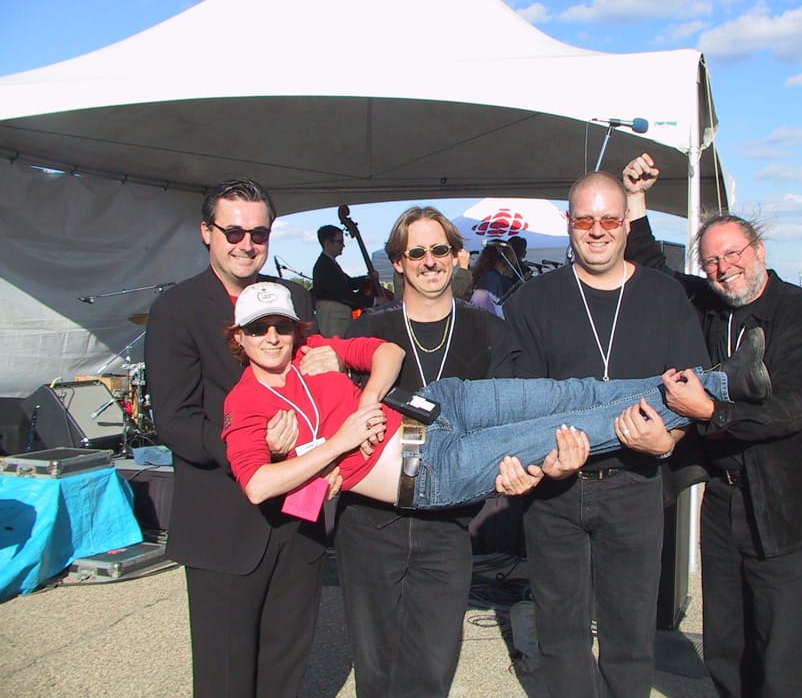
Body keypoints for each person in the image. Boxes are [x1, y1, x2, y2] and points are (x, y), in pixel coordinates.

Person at [622, 152, 802, 698]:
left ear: (758, 252)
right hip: (725, 502)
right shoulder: (709, 307)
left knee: (784, 655)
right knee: (726, 645)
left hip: (788, 501)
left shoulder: (799, 315)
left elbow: (797, 408)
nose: (723, 268)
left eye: (733, 254)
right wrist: (635, 200)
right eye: (711, 261)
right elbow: (656, 277)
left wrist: (712, 413)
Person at [222, 282, 766, 514]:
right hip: (426, 467)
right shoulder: (245, 403)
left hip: (435, 405)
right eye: (258, 329)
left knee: (573, 394)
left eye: (281, 326)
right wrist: (336, 446)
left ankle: (720, 379)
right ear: (239, 337)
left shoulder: (309, 350)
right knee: (581, 426)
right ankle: (716, 392)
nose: (272, 337)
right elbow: (257, 487)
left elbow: (386, 352)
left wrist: (363, 398)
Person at [503, 171, 712, 698]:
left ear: (626, 224)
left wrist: (670, 442)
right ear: (569, 223)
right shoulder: (533, 300)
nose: (597, 231)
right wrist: (543, 460)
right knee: (561, 633)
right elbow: (517, 397)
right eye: (586, 220)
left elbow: (691, 390)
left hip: (635, 484)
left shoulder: (665, 296)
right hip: (554, 491)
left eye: (610, 220)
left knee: (630, 632)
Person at [145, 178, 344, 698]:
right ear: (207, 232)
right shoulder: (177, 309)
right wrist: (252, 451)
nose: (246, 243)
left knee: (287, 671)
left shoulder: (295, 298)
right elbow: (176, 420)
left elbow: (315, 388)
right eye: (233, 231)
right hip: (223, 525)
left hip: (298, 523)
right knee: (225, 679)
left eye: (259, 232)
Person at [332, 206, 520, 698]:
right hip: (370, 524)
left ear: (459, 256)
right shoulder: (363, 333)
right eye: (416, 252)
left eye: (440, 249)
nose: (429, 261)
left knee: (432, 672)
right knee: (376, 674)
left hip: (447, 526)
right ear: (397, 262)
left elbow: (505, 423)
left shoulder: (490, 332)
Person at [311, 224, 376, 337]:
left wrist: (368, 278)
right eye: (340, 242)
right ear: (327, 243)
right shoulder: (325, 266)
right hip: (333, 318)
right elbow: (343, 294)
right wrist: (374, 301)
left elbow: (349, 283)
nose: (344, 245)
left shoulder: (330, 263)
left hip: (336, 316)